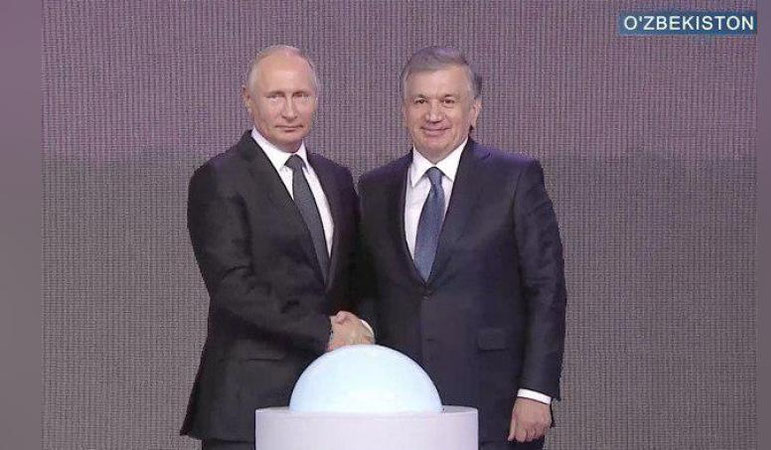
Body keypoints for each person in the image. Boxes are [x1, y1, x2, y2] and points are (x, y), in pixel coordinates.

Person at [357, 46, 567, 449]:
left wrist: (536, 392)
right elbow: (368, 289)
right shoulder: (374, 188)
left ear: (474, 111)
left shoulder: (514, 178)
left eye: (448, 101)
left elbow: (546, 290)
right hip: (398, 403)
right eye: (421, 101)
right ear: (404, 110)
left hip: (495, 404)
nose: (433, 115)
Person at [180, 45, 372, 450]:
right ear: (248, 100)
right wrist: (324, 331)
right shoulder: (219, 178)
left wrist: (362, 328)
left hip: (331, 395)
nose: (290, 110)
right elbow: (233, 286)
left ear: (316, 99)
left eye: (301, 95)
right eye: (275, 96)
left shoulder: (336, 178)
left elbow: (356, 274)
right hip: (248, 403)